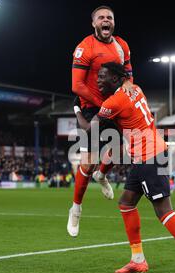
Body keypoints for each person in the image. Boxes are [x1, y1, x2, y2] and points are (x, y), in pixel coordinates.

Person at [74, 62, 175, 273]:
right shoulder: (134, 88)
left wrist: (76, 109)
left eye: (102, 76)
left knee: (164, 212)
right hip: (147, 154)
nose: (98, 80)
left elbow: (87, 129)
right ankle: (138, 259)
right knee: (126, 203)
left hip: (150, 157)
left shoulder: (115, 101)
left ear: (115, 78)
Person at [68, 5, 135, 237]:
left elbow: (128, 77)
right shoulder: (84, 47)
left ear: (113, 23)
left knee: (118, 149)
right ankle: (76, 208)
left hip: (114, 105)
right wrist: (103, 103)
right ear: (93, 23)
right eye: (101, 18)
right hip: (90, 107)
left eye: (110, 17)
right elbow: (77, 86)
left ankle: (102, 175)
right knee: (87, 162)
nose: (106, 20)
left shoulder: (122, 46)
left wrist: (127, 95)